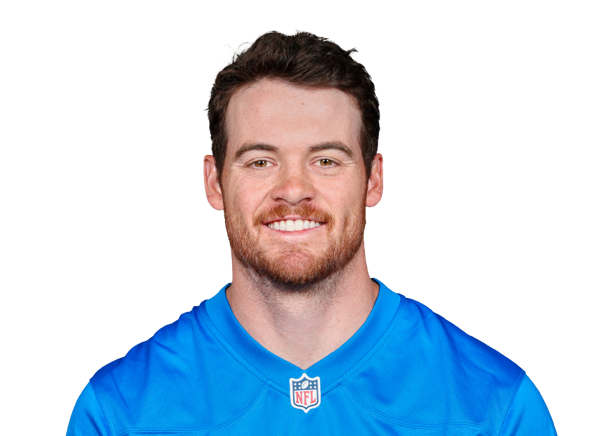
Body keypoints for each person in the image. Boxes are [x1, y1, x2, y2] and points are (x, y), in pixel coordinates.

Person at [67, 30, 557, 435]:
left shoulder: (495, 407)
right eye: (261, 161)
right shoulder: (117, 413)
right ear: (214, 183)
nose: (294, 190)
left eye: (326, 160)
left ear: (373, 180)